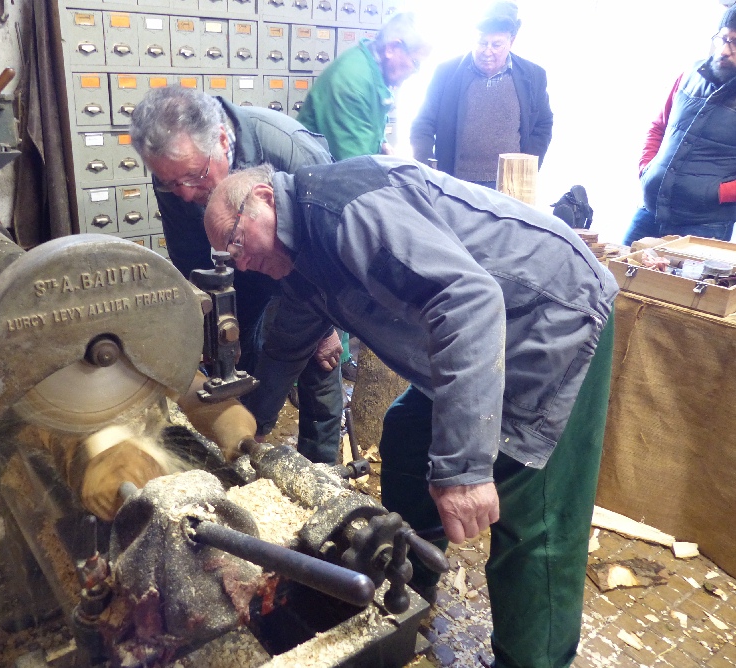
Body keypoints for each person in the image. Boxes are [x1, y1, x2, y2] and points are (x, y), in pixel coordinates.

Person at [203, 157, 618, 668]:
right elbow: (289, 339)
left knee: (534, 518)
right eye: (228, 255)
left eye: (237, 242)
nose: (239, 262)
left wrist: (464, 471)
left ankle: (532, 660)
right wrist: (248, 426)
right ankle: (408, 585)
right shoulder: (300, 254)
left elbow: (467, 300)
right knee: (405, 434)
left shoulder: (345, 211)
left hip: (550, 318)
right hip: (473, 339)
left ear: (265, 198)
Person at [129, 86, 344, 465]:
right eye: (169, 183)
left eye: (194, 178)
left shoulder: (291, 150)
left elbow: (325, 251)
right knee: (234, 349)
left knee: (316, 356)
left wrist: (324, 320)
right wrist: (205, 326)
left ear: (223, 141)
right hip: (233, 263)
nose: (182, 193)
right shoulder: (177, 173)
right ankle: (245, 445)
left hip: (303, 266)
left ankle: (321, 468)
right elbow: (190, 257)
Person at [296, 10, 431, 380]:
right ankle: (314, 369)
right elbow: (354, 169)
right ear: (392, 48)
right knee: (329, 281)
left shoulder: (373, 75)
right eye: (414, 63)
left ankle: (333, 359)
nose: (413, 72)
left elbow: (365, 141)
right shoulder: (353, 81)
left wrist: (386, 151)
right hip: (322, 194)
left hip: (337, 180)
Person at [622, 6, 736, 246]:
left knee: (676, 285)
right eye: (723, 38)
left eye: (735, 43)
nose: (724, 50)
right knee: (613, 276)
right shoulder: (691, 74)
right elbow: (658, 127)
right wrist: (647, 169)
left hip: (705, 225)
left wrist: (717, 193)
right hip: (650, 210)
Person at [410, 2, 553, 189]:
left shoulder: (534, 76)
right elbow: (423, 124)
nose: (487, 52)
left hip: (510, 185)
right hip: (454, 182)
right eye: (481, 42)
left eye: (496, 45)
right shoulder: (446, 73)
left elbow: (543, 125)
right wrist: (428, 169)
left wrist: (525, 170)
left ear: (512, 41)